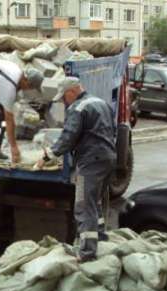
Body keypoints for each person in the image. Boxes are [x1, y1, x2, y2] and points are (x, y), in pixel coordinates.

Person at [35, 77, 117, 262]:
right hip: (108, 158)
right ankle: (100, 238)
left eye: (64, 97)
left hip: (90, 162)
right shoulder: (100, 102)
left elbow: (68, 137)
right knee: (94, 202)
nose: (64, 102)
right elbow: (112, 129)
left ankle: (87, 253)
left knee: (83, 206)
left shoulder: (77, 108)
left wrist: (47, 156)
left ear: (71, 92)